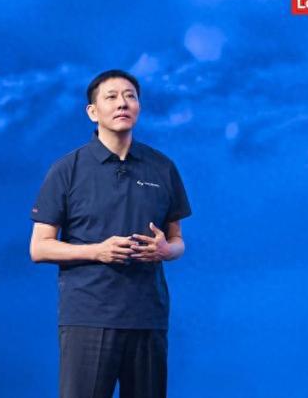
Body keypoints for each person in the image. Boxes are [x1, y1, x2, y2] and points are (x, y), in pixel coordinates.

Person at [29, 69, 192, 398]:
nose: (123, 103)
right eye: (112, 97)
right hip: (88, 316)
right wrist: (96, 251)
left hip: (147, 316)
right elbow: (39, 248)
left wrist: (165, 250)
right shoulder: (68, 169)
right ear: (93, 111)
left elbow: (178, 242)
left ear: (139, 107)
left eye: (130, 96)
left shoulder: (162, 167)